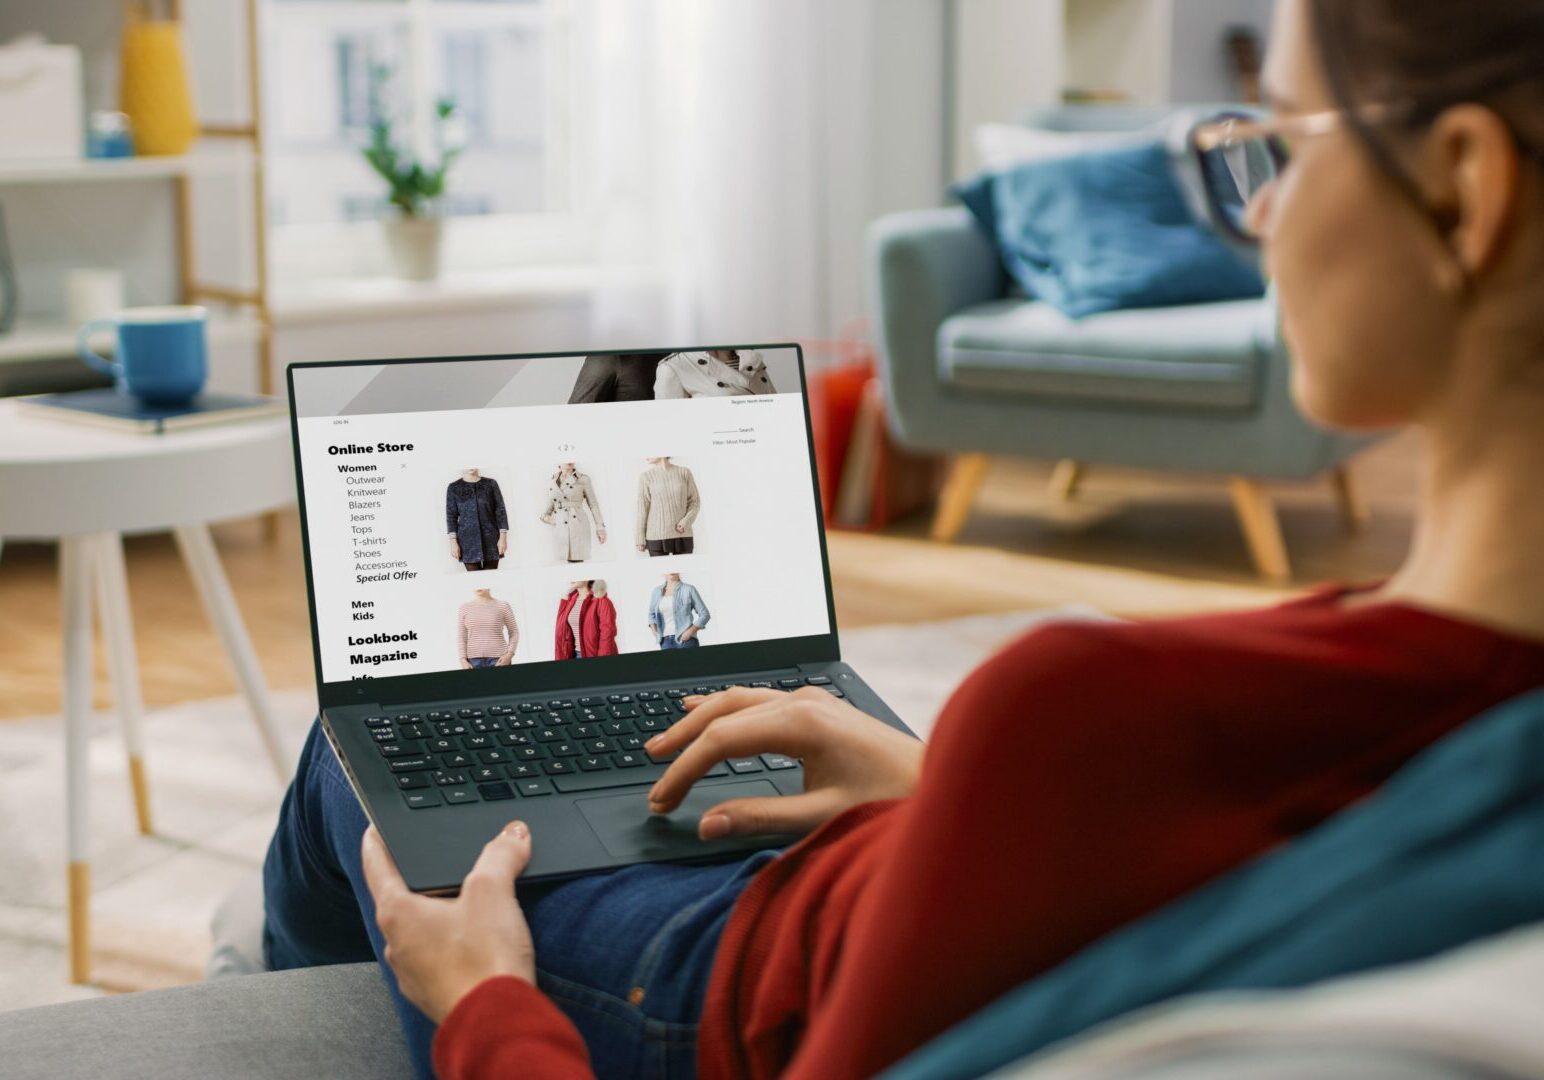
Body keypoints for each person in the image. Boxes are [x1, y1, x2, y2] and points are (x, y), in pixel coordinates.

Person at [264, 2, 1544, 1078]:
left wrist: (485, 1004)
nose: (1255, 216)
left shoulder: (1098, 704)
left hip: (711, 983)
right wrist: (952, 799)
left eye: (1274, 146)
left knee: (353, 756)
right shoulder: (1466, 718)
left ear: (1462, 188)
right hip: (883, 882)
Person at [654, 349, 777, 399]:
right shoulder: (674, 366)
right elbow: (667, 429)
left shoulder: (751, 357)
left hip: (765, 445)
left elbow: (776, 406)